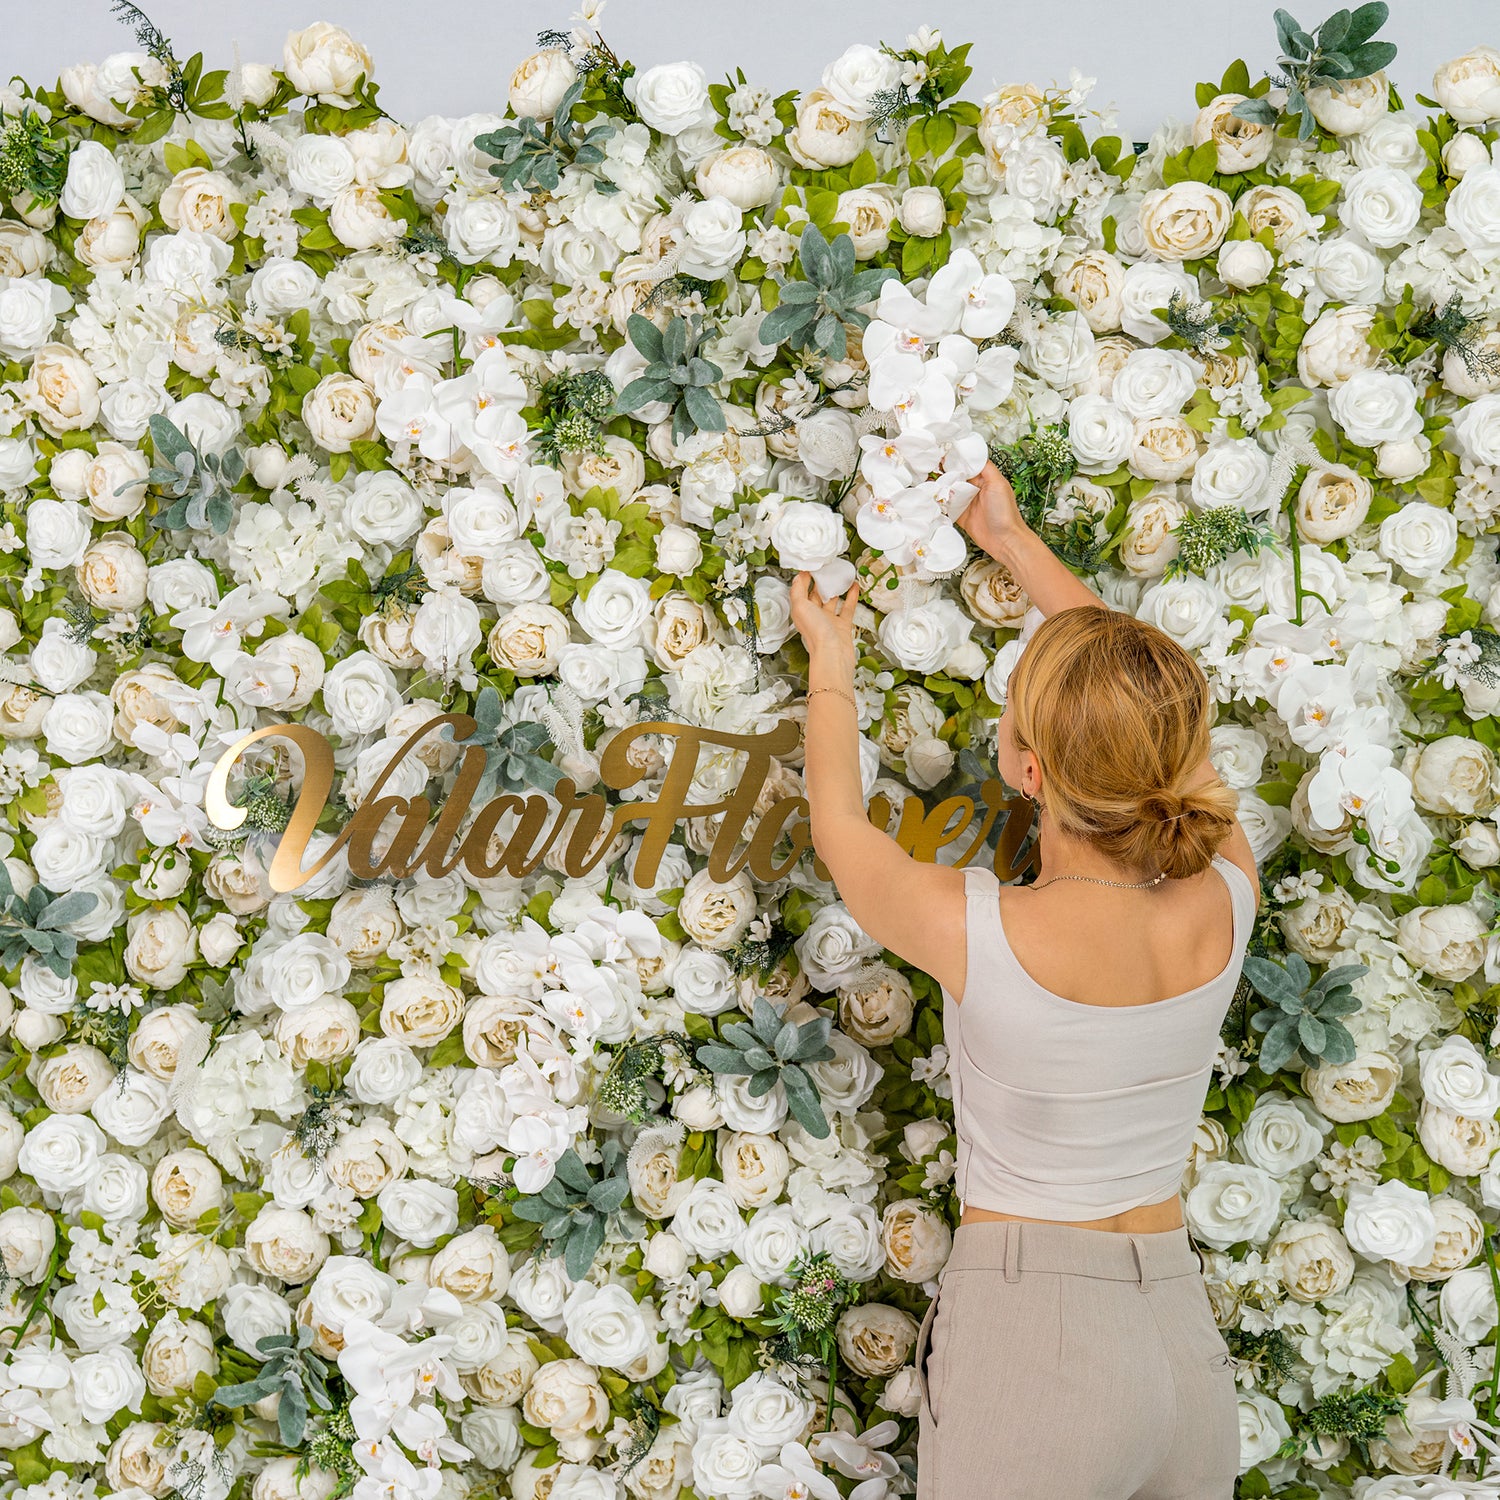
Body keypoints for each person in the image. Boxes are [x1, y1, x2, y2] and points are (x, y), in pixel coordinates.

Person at [787, 458, 1257, 1498]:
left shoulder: (978, 928)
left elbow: (836, 826)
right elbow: (1149, 706)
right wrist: (1014, 543)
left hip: (1041, 1337)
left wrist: (832, 658)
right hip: (1182, 1343)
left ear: (1028, 771)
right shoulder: (1226, 893)